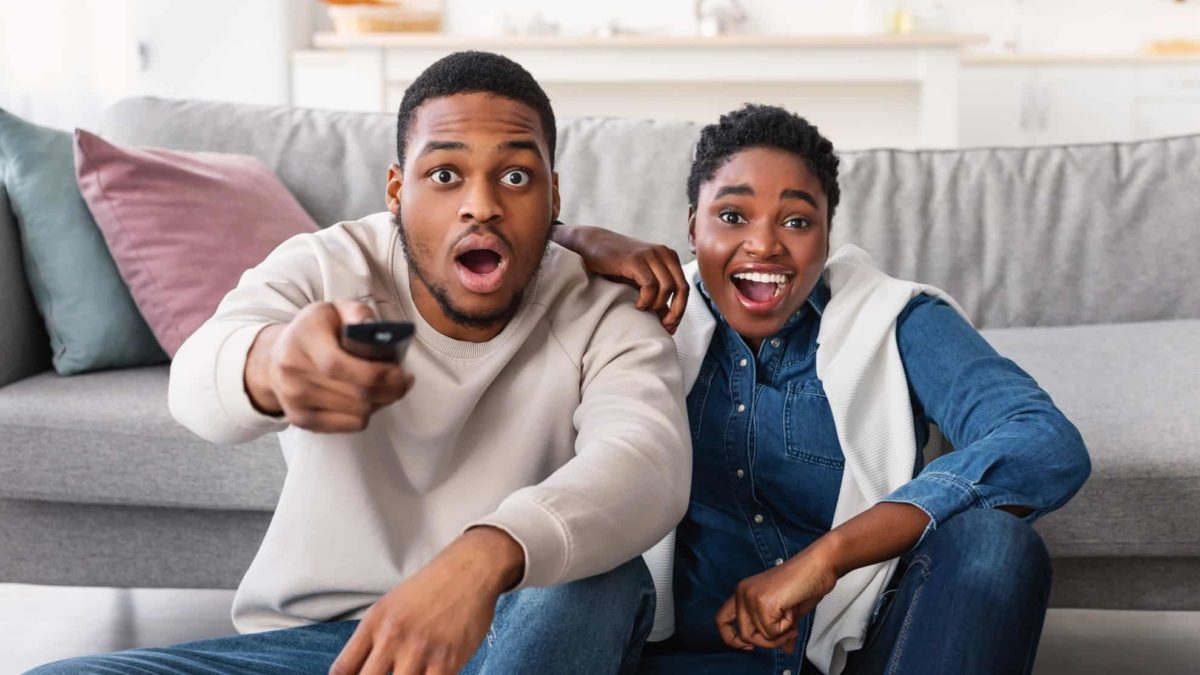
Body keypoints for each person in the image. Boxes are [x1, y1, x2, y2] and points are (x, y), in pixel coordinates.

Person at [28, 51, 691, 675]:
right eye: (445, 175)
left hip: (509, 624)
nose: (481, 204)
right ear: (397, 190)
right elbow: (198, 380)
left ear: (553, 195)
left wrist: (485, 555)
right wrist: (273, 364)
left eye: (515, 176)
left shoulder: (605, 307)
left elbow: (646, 461)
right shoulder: (327, 265)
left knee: (597, 583)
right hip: (323, 647)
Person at [556, 104, 1092, 674]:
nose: (764, 245)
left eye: (795, 221)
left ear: (827, 234)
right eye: (733, 216)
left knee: (994, 542)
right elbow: (477, 267)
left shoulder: (894, 319)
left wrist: (826, 558)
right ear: (692, 228)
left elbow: (1042, 440)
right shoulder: (635, 317)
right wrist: (572, 237)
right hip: (676, 658)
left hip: (854, 653)